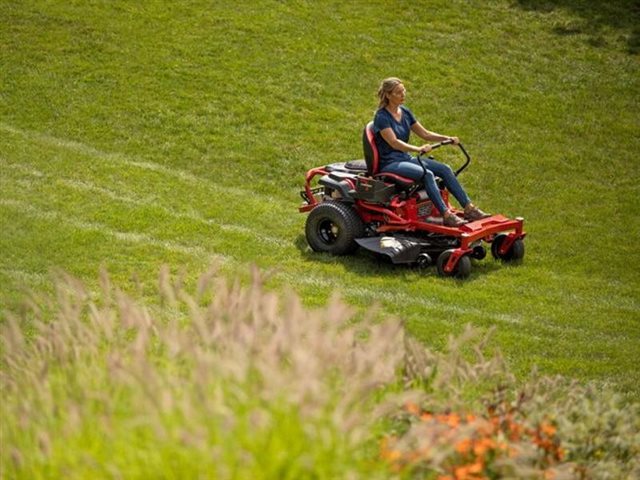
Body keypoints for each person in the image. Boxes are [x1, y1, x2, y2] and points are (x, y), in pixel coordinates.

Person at [373, 77, 490, 227]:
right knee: (426, 174)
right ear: (388, 95)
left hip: (405, 158)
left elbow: (425, 134)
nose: (403, 95)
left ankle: (469, 209)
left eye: (404, 91)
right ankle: (446, 215)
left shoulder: (405, 112)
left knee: (445, 169)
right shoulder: (381, 117)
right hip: (390, 162)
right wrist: (418, 149)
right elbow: (394, 143)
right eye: (398, 92)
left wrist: (447, 138)